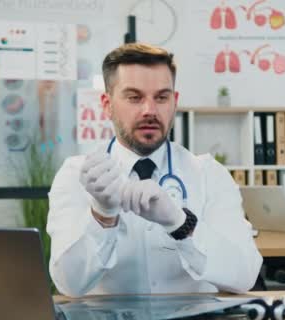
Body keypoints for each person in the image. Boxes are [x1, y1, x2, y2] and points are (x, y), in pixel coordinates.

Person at [46, 43, 262, 297]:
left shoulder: (208, 174)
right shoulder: (76, 175)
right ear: (107, 104)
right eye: (134, 97)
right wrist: (102, 215)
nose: (150, 110)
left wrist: (180, 223)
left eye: (161, 97)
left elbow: (244, 274)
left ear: (174, 101)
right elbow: (69, 285)